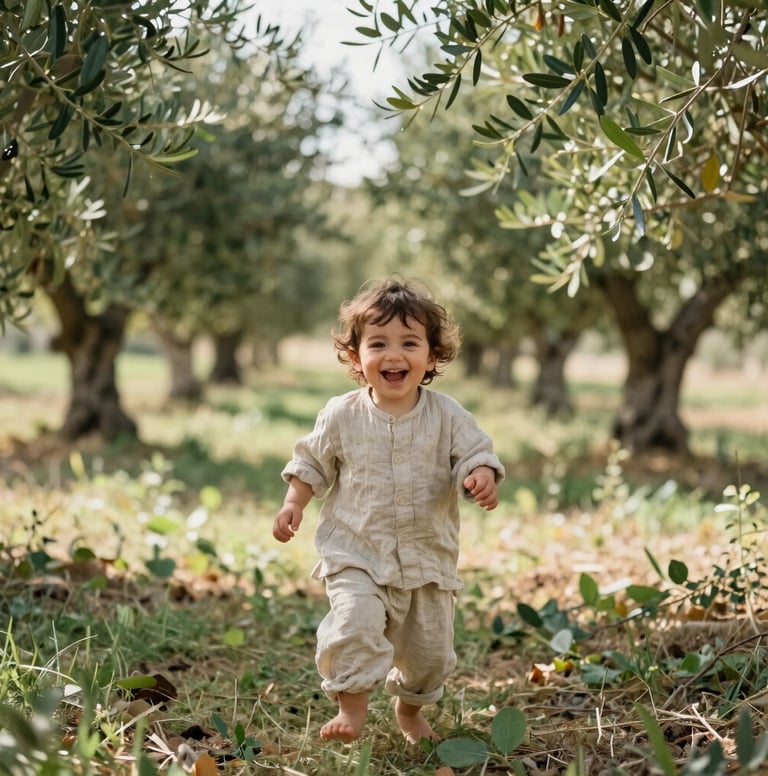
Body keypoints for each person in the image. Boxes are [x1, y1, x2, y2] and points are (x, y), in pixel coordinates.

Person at [272, 278, 505, 745]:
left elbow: (476, 452)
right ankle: (352, 709)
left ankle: (410, 709)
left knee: (430, 655)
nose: (393, 354)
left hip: (427, 561)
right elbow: (312, 462)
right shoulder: (341, 414)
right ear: (356, 357)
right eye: (378, 343)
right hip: (356, 554)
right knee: (353, 624)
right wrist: (294, 502)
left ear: (432, 356)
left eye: (409, 343)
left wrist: (481, 474)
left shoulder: (449, 415)